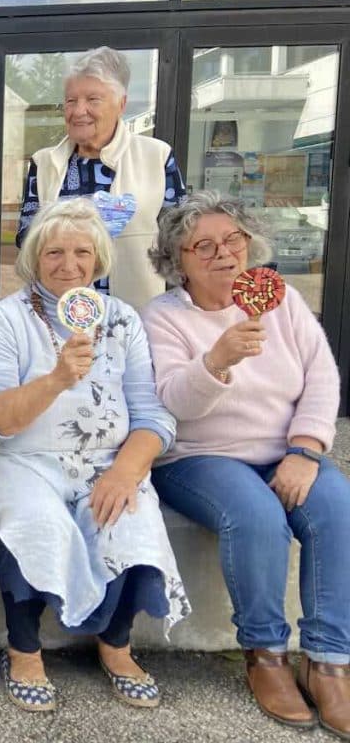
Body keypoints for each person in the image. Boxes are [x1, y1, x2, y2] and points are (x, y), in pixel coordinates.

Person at [0, 198, 190, 712]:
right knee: (34, 522)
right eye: (55, 253)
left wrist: (127, 472)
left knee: (130, 518)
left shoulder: (122, 320)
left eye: (82, 252)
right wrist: (56, 380)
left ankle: (116, 645)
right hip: (20, 457)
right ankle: (23, 650)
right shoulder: (7, 319)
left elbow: (153, 414)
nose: (69, 265)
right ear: (34, 260)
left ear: (98, 259)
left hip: (106, 459)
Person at [143, 191, 350, 737]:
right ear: (176, 260)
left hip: (286, 449)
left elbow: (322, 377)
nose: (223, 254)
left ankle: (329, 659)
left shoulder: (282, 302)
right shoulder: (164, 319)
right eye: (202, 246)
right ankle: (265, 653)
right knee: (256, 514)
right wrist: (217, 360)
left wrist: (306, 450)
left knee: (335, 505)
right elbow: (170, 403)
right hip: (199, 456)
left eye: (232, 240)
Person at [16, 46, 186, 309]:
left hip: (135, 312)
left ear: (122, 104)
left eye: (93, 100)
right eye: (71, 101)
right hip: (58, 312)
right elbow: (27, 238)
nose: (78, 110)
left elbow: (180, 241)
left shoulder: (156, 156)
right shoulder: (44, 162)